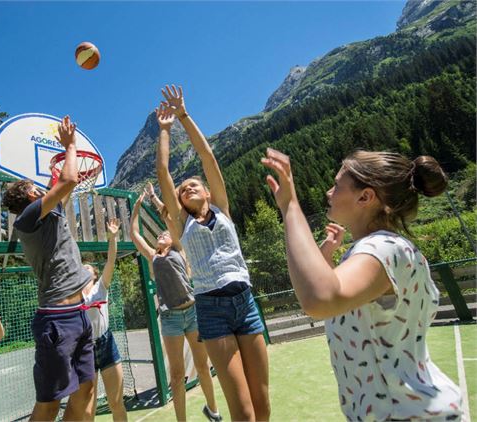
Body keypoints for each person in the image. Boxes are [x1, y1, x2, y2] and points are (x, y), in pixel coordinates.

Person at [261, 148, 463, 420]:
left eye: (336, 185)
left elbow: (320, 298)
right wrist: (325, 255)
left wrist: (290, 205)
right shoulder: (382, 250)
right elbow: (341, 300)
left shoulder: (383, 248)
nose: (328, 193)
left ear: (365, 196)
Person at [155, 85, 270, 422]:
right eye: (182, 188)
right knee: (244, 412)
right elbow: (163, 173)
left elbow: (208, 156)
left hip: (245, 302)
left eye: (194, 184)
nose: (188, 187)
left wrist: (184, 117)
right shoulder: (180, 225)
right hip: (211, 308)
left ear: (207, 190)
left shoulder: (221, 207)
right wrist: (165, 130)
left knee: (263, 407)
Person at [1, 115, 95, 421]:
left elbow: (60, 184)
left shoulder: (49, 211)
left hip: (79, 314)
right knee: (50, 403)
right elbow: (67, 181)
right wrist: (70, 145)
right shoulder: (27, 218)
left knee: (86, 390)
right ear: (30, 194)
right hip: (56, 320)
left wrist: (62, 157)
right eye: (36, 186)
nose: (43, 188)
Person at [130, 189, 221, 422]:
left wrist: (153, 197)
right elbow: (134, 234)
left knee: (202, 366)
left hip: (192, 312)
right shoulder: (153, 256)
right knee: (177, 374)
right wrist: (137, 208)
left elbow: (168, 217)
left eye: (164, 234)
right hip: (170, 318)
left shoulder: (180, 248)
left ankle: (214, 412)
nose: (161, 235)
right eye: (159, 235)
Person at [82, 218, 128, 422]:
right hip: (83, 349)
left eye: (88, 268)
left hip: (106, 343)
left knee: (116, 402)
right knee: (87, 407)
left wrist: (113, 237)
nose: (84, 269)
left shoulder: (101, 287)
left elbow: (111, 260)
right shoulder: (72, 294)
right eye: (81, 268)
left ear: (94, 275)